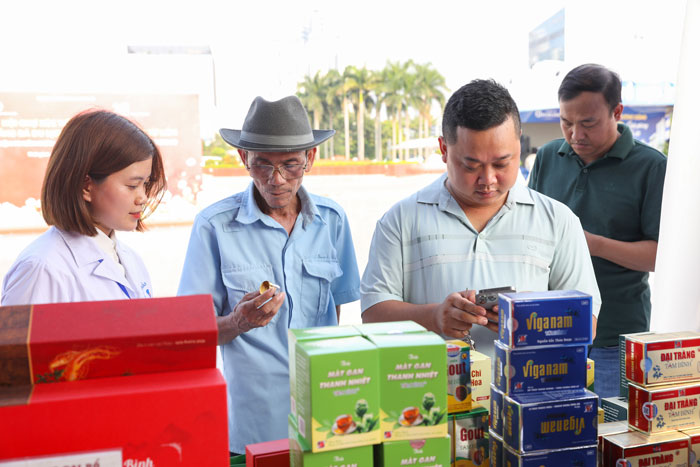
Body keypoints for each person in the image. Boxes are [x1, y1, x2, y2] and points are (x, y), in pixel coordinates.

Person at [360, 79, 601, 357]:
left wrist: (531, 318)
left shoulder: (557, 220)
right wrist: (435, 316)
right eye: (471, 165)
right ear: (443, 150)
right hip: (431, 393)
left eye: (501, 163)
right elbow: (373, 314)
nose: (487, 180)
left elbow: (587, 322)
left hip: (527, 392)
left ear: (519, 147)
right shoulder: (401, 220)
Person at [177, 95, 361, 454]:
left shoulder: (333, 221)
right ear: (244, 159)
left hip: (323, 419)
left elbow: (333, 314)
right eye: (262, 165)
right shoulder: (213, 228)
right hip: (253, 427)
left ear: (310, 159)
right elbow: (191, 335)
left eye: (290, 165)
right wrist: (238, 322)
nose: (276, 180)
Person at [528, 64, 667, 398]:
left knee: (610, 435)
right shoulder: (548, 156)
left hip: (614, 336)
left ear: (617, 112)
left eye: (588, 123)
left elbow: (659, 255)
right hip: (549, 331)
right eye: (566, 122)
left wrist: (590, 244)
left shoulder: (651, 167)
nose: (575, 134)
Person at [1, 110, 167, 306]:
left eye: (146, 184)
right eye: (132, 185)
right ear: (86, 186)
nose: (143, 198)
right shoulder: (42, 269)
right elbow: (18, 337)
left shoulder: (131, 260)